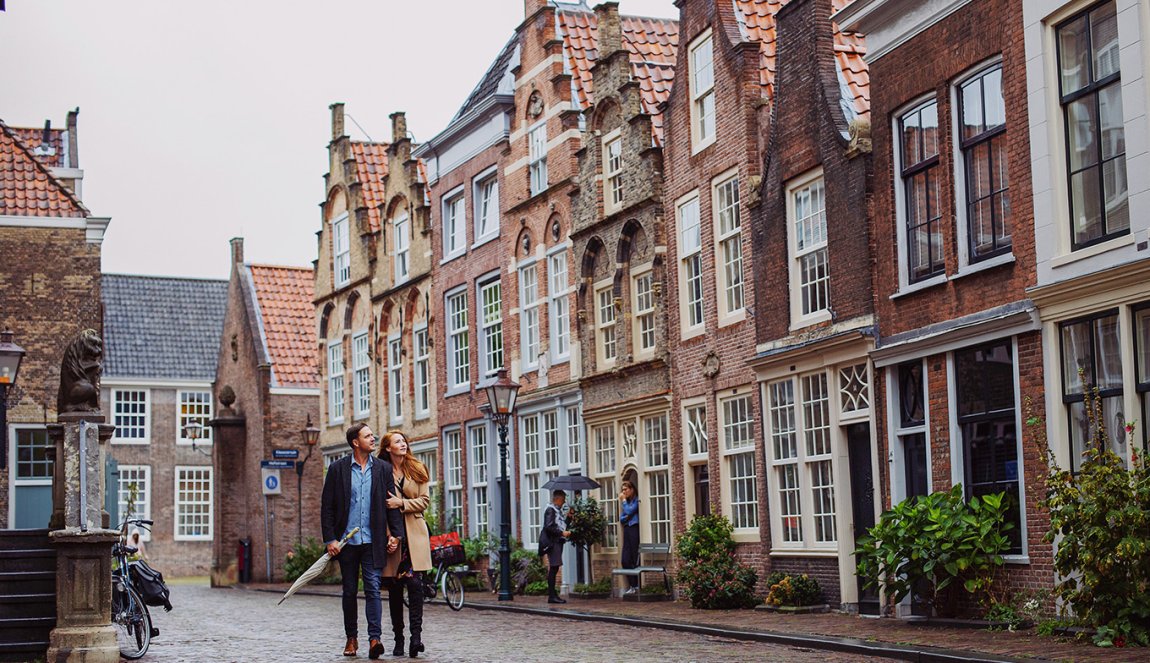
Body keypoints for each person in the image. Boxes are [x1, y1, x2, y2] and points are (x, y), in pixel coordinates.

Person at [321, 423, 405, 659]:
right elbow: (327, 508)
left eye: (372, 435)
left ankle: (374, 639)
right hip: (346, 544)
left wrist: (396, 535)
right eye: (368, 436)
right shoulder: (337, 470)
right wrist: (330, 539)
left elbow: (391, 505)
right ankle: (351, 638)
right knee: (349, 591)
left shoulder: (383, 469)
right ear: (355, 442)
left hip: (372, 540)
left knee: (373, 590)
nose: (373, 438)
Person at [381, 430, 431, 658]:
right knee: (394, 590)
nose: (402, 444)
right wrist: (387, 536)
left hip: (414, 536)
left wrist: (401, 502)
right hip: (394, 537)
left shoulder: (417, 468)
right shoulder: (381, 471)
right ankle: (399, 639)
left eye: (404, 441)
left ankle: (416, 638)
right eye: (397, 442)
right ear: (388, 448)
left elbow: (424, 502)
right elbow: (379, 508)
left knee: (415, 587)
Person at [539, 489, 571, 604]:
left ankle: (553, 595)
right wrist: (562, 533)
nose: (563, 502)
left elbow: (561, 525)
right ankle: (552, 596)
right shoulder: (550, 510)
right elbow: (549, 526)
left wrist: (570, 517)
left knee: (555, 567)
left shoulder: (557, 511)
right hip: (553, 543)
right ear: (557, 499)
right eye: (562, 500)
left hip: (557, 541)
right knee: (553, 568)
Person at [619, 480, 640, 595]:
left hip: (634, 529)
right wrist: (627, 515)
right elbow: (621, 518)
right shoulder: (626, 502)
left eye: (625, 489)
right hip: (627, 529)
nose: (624, 492)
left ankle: (636, 586)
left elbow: (629, 510)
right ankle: (632, 585)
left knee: (633, 558)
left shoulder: (636, 500)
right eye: (622, 490)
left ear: (632, 489)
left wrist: (623, 502)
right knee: (625, 560)